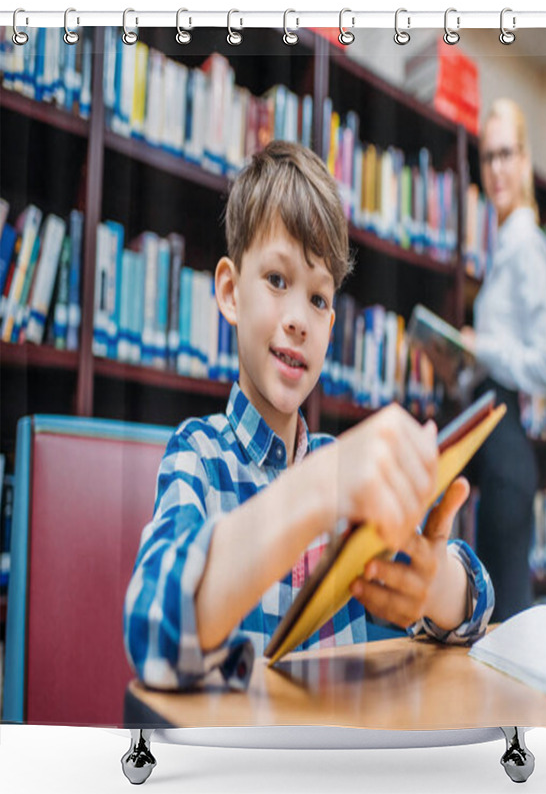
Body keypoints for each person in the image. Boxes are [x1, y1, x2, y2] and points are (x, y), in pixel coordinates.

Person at [123, 141, 494, 691]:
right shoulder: (198, 454)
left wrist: (436, 584)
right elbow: (152, 634)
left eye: (319, 299)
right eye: (277, 280)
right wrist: (316, 490)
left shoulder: (342, 467)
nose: (299, 319)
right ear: (229, 291)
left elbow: (478, 605)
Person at [460, 99, 546, 622]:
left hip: (507, 456)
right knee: (488, 629)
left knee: (506, 631)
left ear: (525, 161)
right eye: (487, 157)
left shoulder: (529, 246)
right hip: (487, 440)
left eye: (506, 154)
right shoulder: (503, 245)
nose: (497, 169)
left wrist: (481, 348)